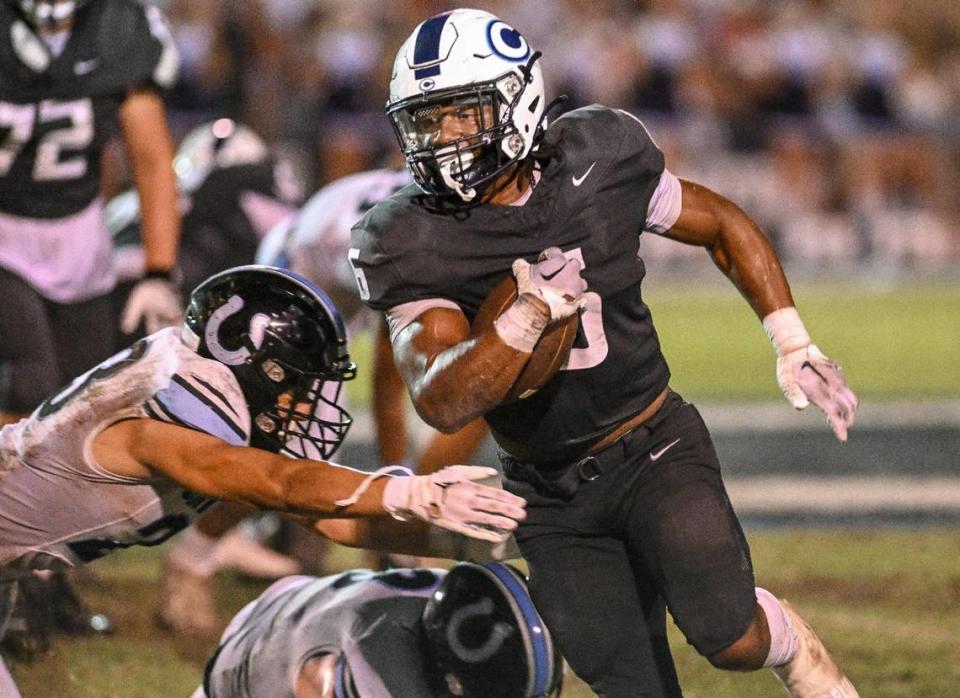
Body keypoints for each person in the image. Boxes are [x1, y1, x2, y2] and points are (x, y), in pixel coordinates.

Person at [350, 8, 860, 698]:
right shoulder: (412, 235)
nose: (441, 140)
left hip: (654, 447)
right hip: (548, 492)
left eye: (461, 116)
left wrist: (790, 337)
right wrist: (520, 324)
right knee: (630, 687)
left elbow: (721, 223)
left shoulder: (599, 155)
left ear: (516, 100)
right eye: (425, 120)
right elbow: (442, 400)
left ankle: (797, 651)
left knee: (728, 634)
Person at [0, 264, 527, 695]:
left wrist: (476, 539)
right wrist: (410, 491)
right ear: (254, 366)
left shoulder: (206, 396)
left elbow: (332, 521)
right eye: (298, 382)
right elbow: (279, 482)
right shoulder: (176, 418)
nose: (306, 403)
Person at [156, 167, 492, 637]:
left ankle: (307, 542)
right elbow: (389, 383)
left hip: (338, 266)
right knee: (283, 443)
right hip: (295, 270)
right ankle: (190, 560)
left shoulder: (447, 222)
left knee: (492, 384)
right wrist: (401, 489)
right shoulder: (417, 248)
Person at [0, 0, 182, 659]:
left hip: (79, 240)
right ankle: (12, 587)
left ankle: (47, 580)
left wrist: (159, 269)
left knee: (81, 418)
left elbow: (151, 157)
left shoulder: (119, 24)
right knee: (33, 386)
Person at [196, 561, 563, 698]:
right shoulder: (377, 662)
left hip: (292, 606)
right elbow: (314, 683)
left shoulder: (449, 596)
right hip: (248, 673)